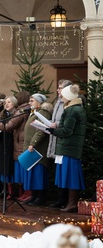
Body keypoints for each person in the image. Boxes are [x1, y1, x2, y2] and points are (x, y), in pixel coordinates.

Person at [48, 84, 86, 212]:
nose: (60, 96)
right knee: (70, 176)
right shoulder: (76, 108)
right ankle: (70, 202)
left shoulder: (72, 110)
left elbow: (67, 131)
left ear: (68, 97)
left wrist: (52, 131)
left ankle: (72, 203)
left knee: (71, 176)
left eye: (62, 95)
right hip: (70, 148)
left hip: (69, 148)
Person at [22, 93, 53, 206]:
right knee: (32, 172)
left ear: (39, 103)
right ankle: (33, 196)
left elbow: (41, 130)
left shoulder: (43, 113)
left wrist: (33, 143)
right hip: (31, 148)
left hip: (38, 149)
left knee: (38, 173)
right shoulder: (34, 113)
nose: (29, 103)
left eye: (32, 101)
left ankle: (41, 197)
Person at [47, 79, 72, 209]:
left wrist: (57, 125)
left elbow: (66, 123)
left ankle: (64, 199)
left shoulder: (69, 104)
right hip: (56, 140)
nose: (57, 90)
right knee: (58, 171)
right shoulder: (58, 102)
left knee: (64, 172)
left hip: (63, 142)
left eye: (60, 88)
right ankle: (59, 198)